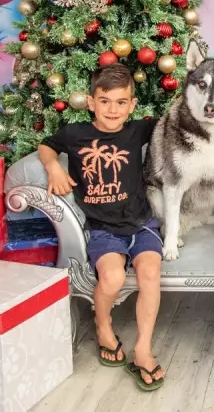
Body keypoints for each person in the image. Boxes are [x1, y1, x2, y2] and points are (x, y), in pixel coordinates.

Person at [38, 64, 165, 391]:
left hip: (141, 222)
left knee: (150, 274)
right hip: (104, 227)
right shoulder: (76, 133)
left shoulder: (138, 130)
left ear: (132, 105)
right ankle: (103, 323)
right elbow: (47, 145)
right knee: (113, 277)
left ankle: (142, 349)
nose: (113, 109)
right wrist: (52, 166)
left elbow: (175, 126)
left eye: (121, 102)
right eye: (105, 101)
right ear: (91, 102)